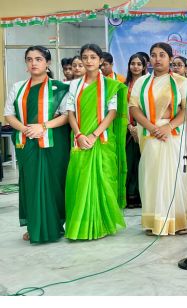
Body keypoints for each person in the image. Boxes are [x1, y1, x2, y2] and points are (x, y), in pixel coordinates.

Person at [3, 46, 70, 244]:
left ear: (47, 63)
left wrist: (43, 127)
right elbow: (9, 114)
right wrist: (25, 129)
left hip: (53, 143)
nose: (34, 63)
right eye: (29, 59)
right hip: (27, 143)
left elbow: (67, 116)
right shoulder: (18, 87)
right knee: (31, 185)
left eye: (39, 59)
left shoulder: (60, 87)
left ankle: (54, 224)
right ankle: (35, 226)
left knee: (54, 184)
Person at [65, 43, 128, 240]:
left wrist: (94, 135)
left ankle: (101, 225)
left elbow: (112, 112)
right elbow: (70, 112)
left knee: (103, 181)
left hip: (101, 140)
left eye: (93, 57)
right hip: (79, 139)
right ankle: (80, 227)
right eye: (85, 57)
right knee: (79, 181)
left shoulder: (111, 85)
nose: (89, 61)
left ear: (101, 61)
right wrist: (79, 135)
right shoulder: (74, 85)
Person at [130, 43, 187, 236]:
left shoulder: (181, 82)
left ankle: (178, 221)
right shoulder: (142, 82)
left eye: (162, 55)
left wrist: (168, 127)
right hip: (150, 134)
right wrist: (152, 128)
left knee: (175, 177)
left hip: (172, 133)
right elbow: (133, 108)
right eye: (154, 55)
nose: (157, 59)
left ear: (171, 58)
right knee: (152, 176)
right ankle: (155, 221)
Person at [124, 52, 148, 209]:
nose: (136, 66)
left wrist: (140, 126)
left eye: (139, 64)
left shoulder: (149, 84)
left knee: (143, 162)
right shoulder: (123, 86)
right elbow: (121, 108)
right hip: (127, 129)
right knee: (129, 162)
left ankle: (142, 195)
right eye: (133, 63)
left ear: (145, 67)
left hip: (145, 128)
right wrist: (129, 126)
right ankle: (130, 196)